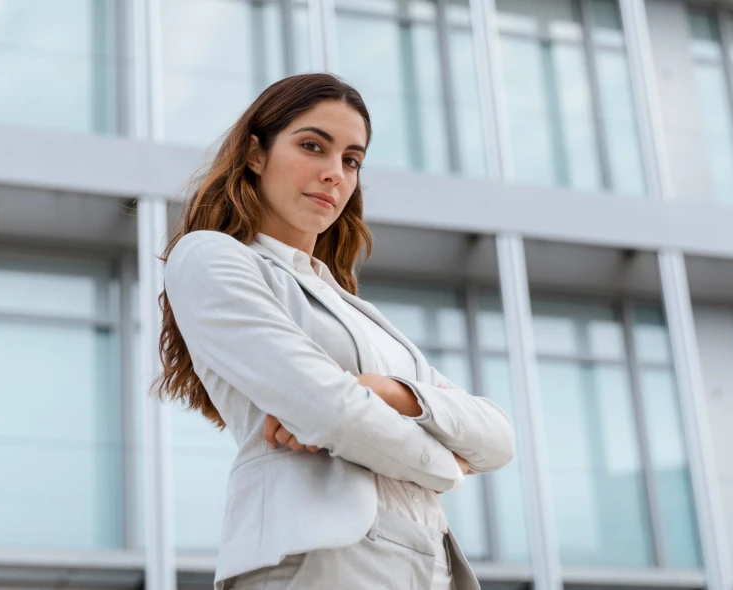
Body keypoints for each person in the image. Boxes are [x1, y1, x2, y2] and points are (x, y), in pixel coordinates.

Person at [155, 73, 516, 590]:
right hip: (323, 559)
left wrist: (388, 391)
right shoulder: (212, 257)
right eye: (312, 146)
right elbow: (329, 409)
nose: (334, 174)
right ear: (255, 153)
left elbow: (498, 437)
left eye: (351, 160)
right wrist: (447, 465)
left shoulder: (352, 307)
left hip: (429, 563)